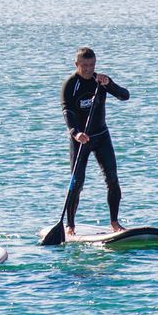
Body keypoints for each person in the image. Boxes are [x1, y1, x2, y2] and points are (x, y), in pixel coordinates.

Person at [61, 46, 131, 235]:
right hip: (80, 140)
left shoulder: (100, 81)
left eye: (92, 65)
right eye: (84, 65)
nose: (88, 69)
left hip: (101, 137)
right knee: (77, 182)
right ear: (77, 64)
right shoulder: (71, 84)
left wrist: (110, 84)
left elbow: (125, 96)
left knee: (113, 179)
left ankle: (114, 223)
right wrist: (75, 133)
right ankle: (70, 226)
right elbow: (67, 111)